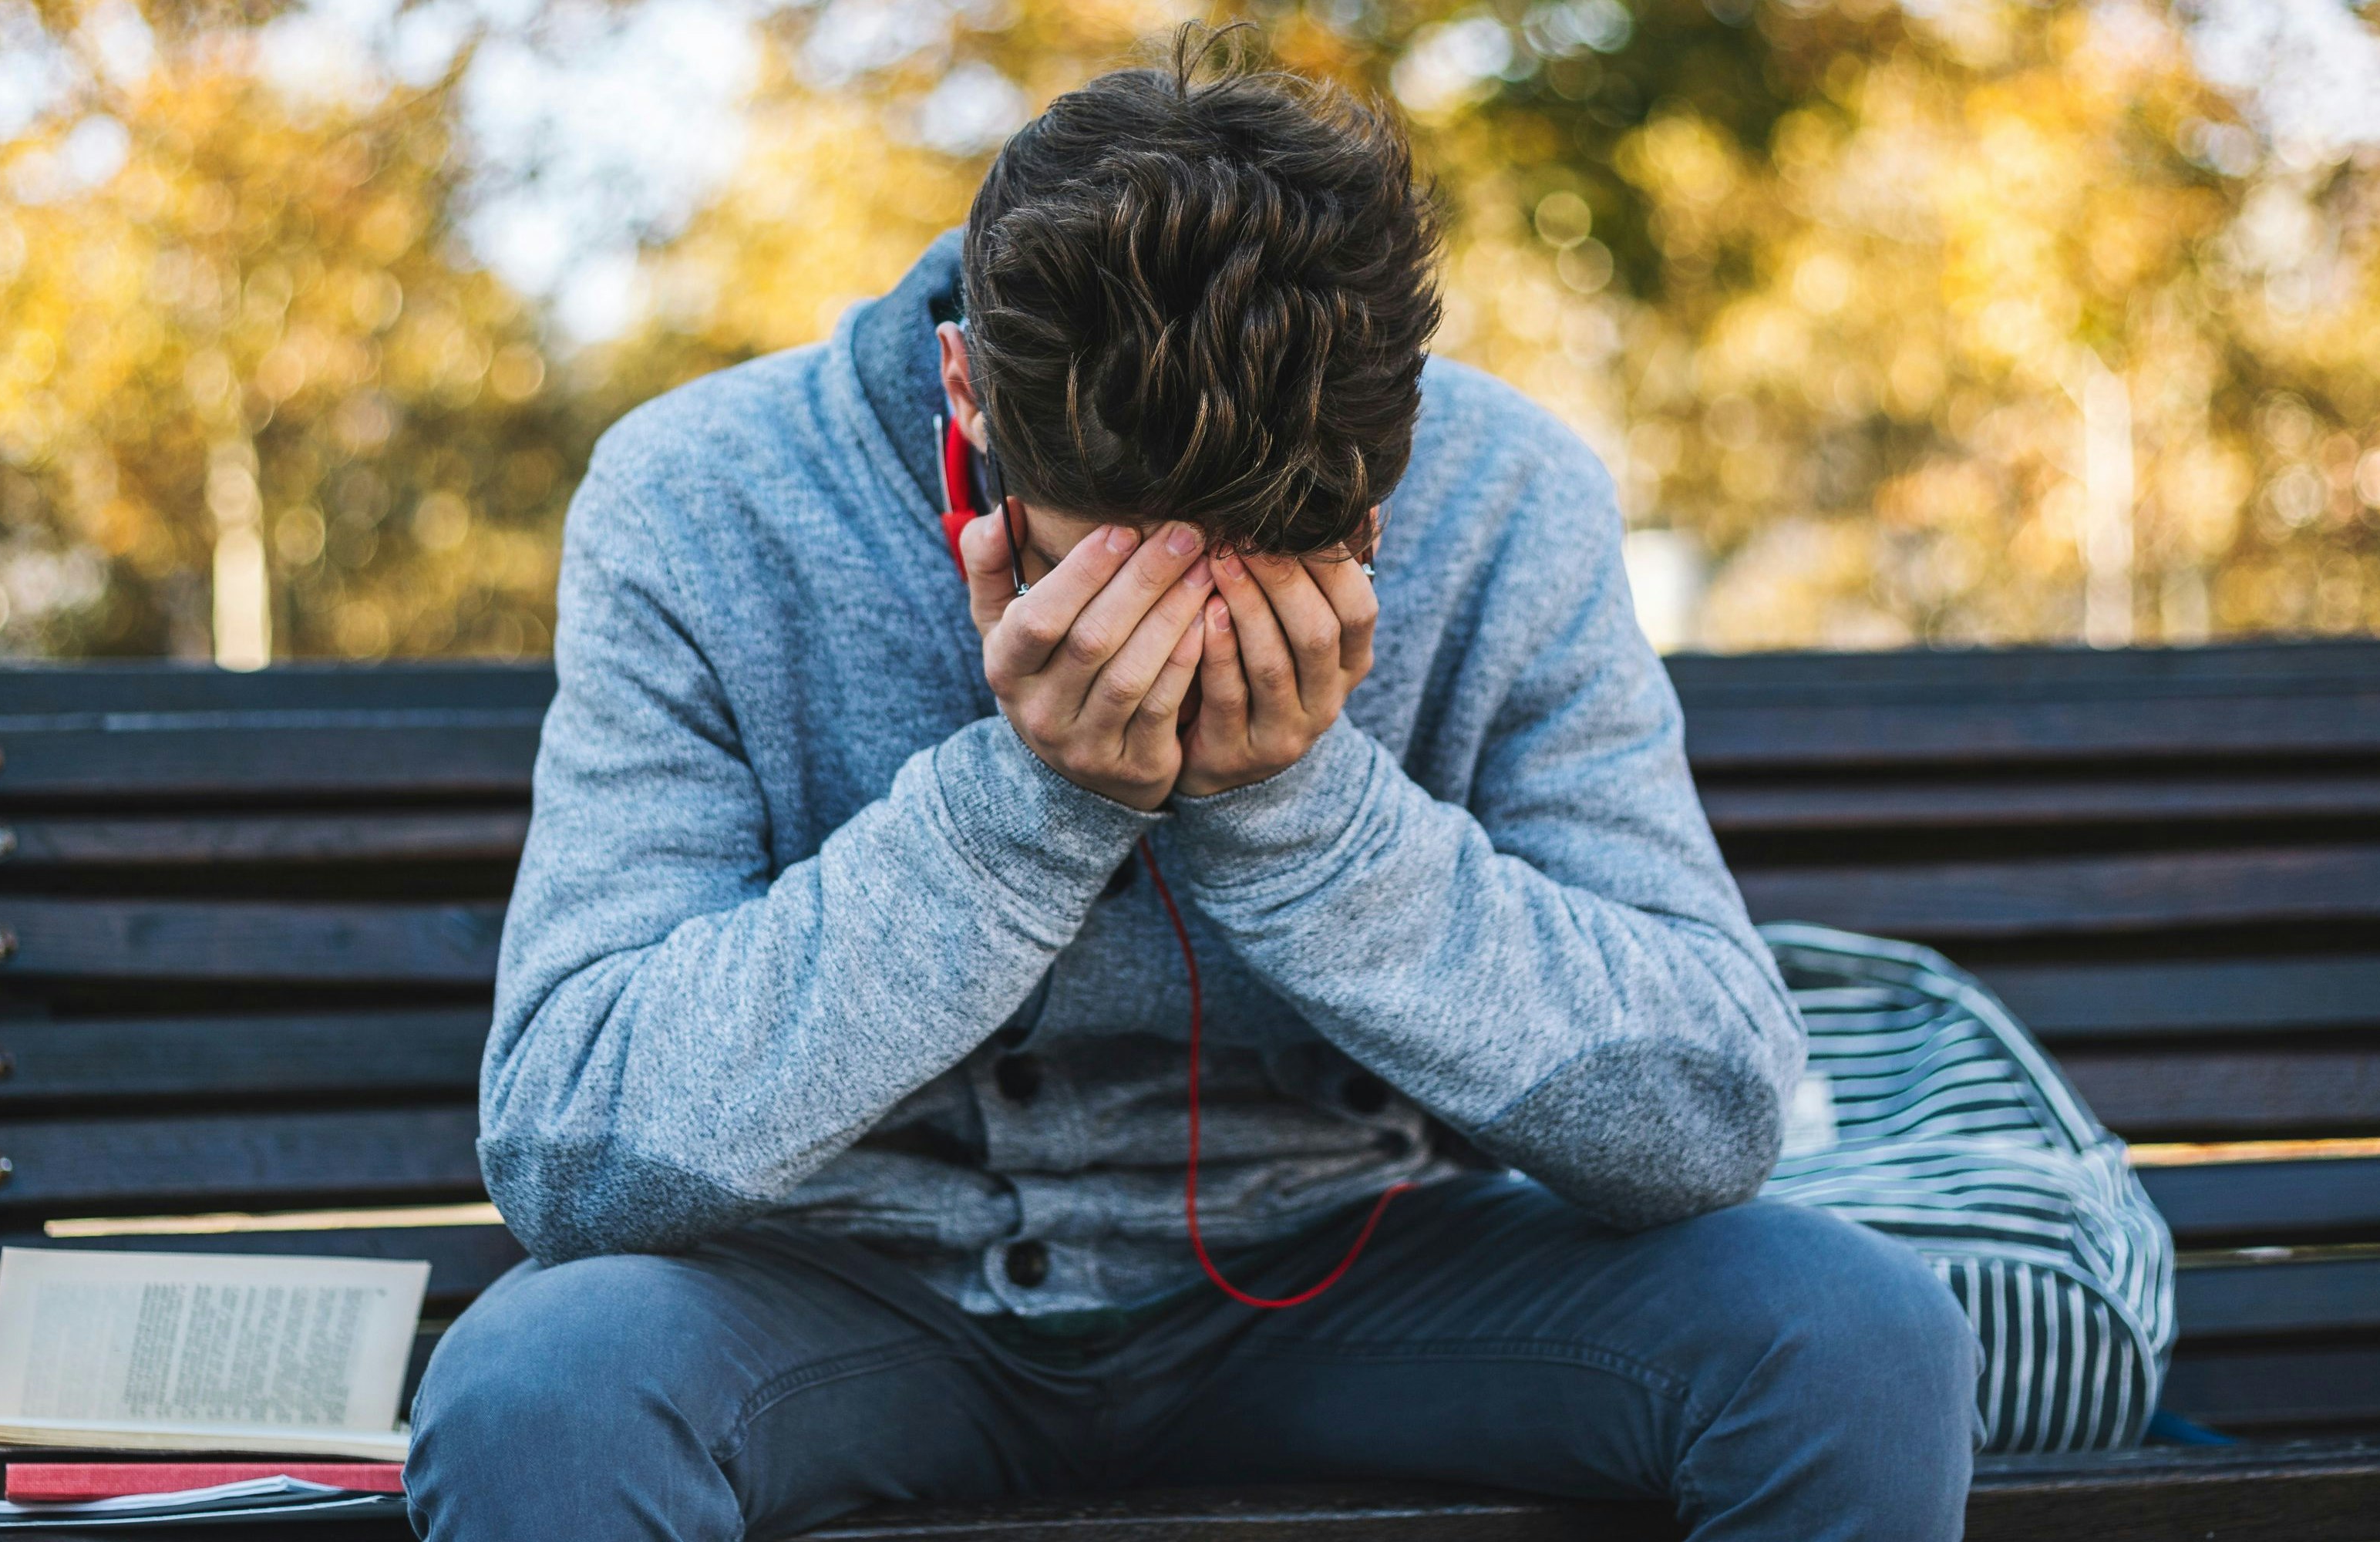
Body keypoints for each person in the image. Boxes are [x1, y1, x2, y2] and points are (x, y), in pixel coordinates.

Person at [408, 29, 1976, 1542]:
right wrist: (1021, 810)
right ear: (967, 396)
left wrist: (1308, 818)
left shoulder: (1508, 495)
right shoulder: (701, 495)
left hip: (1352, 1271)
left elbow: (1708, 1115)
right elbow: (571, 1142)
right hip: (842, 1294)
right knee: (544, 1389)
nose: (1183, 642)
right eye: (1114, 573)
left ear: (1393, 454)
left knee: (1851, 1336)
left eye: (1279, 565)